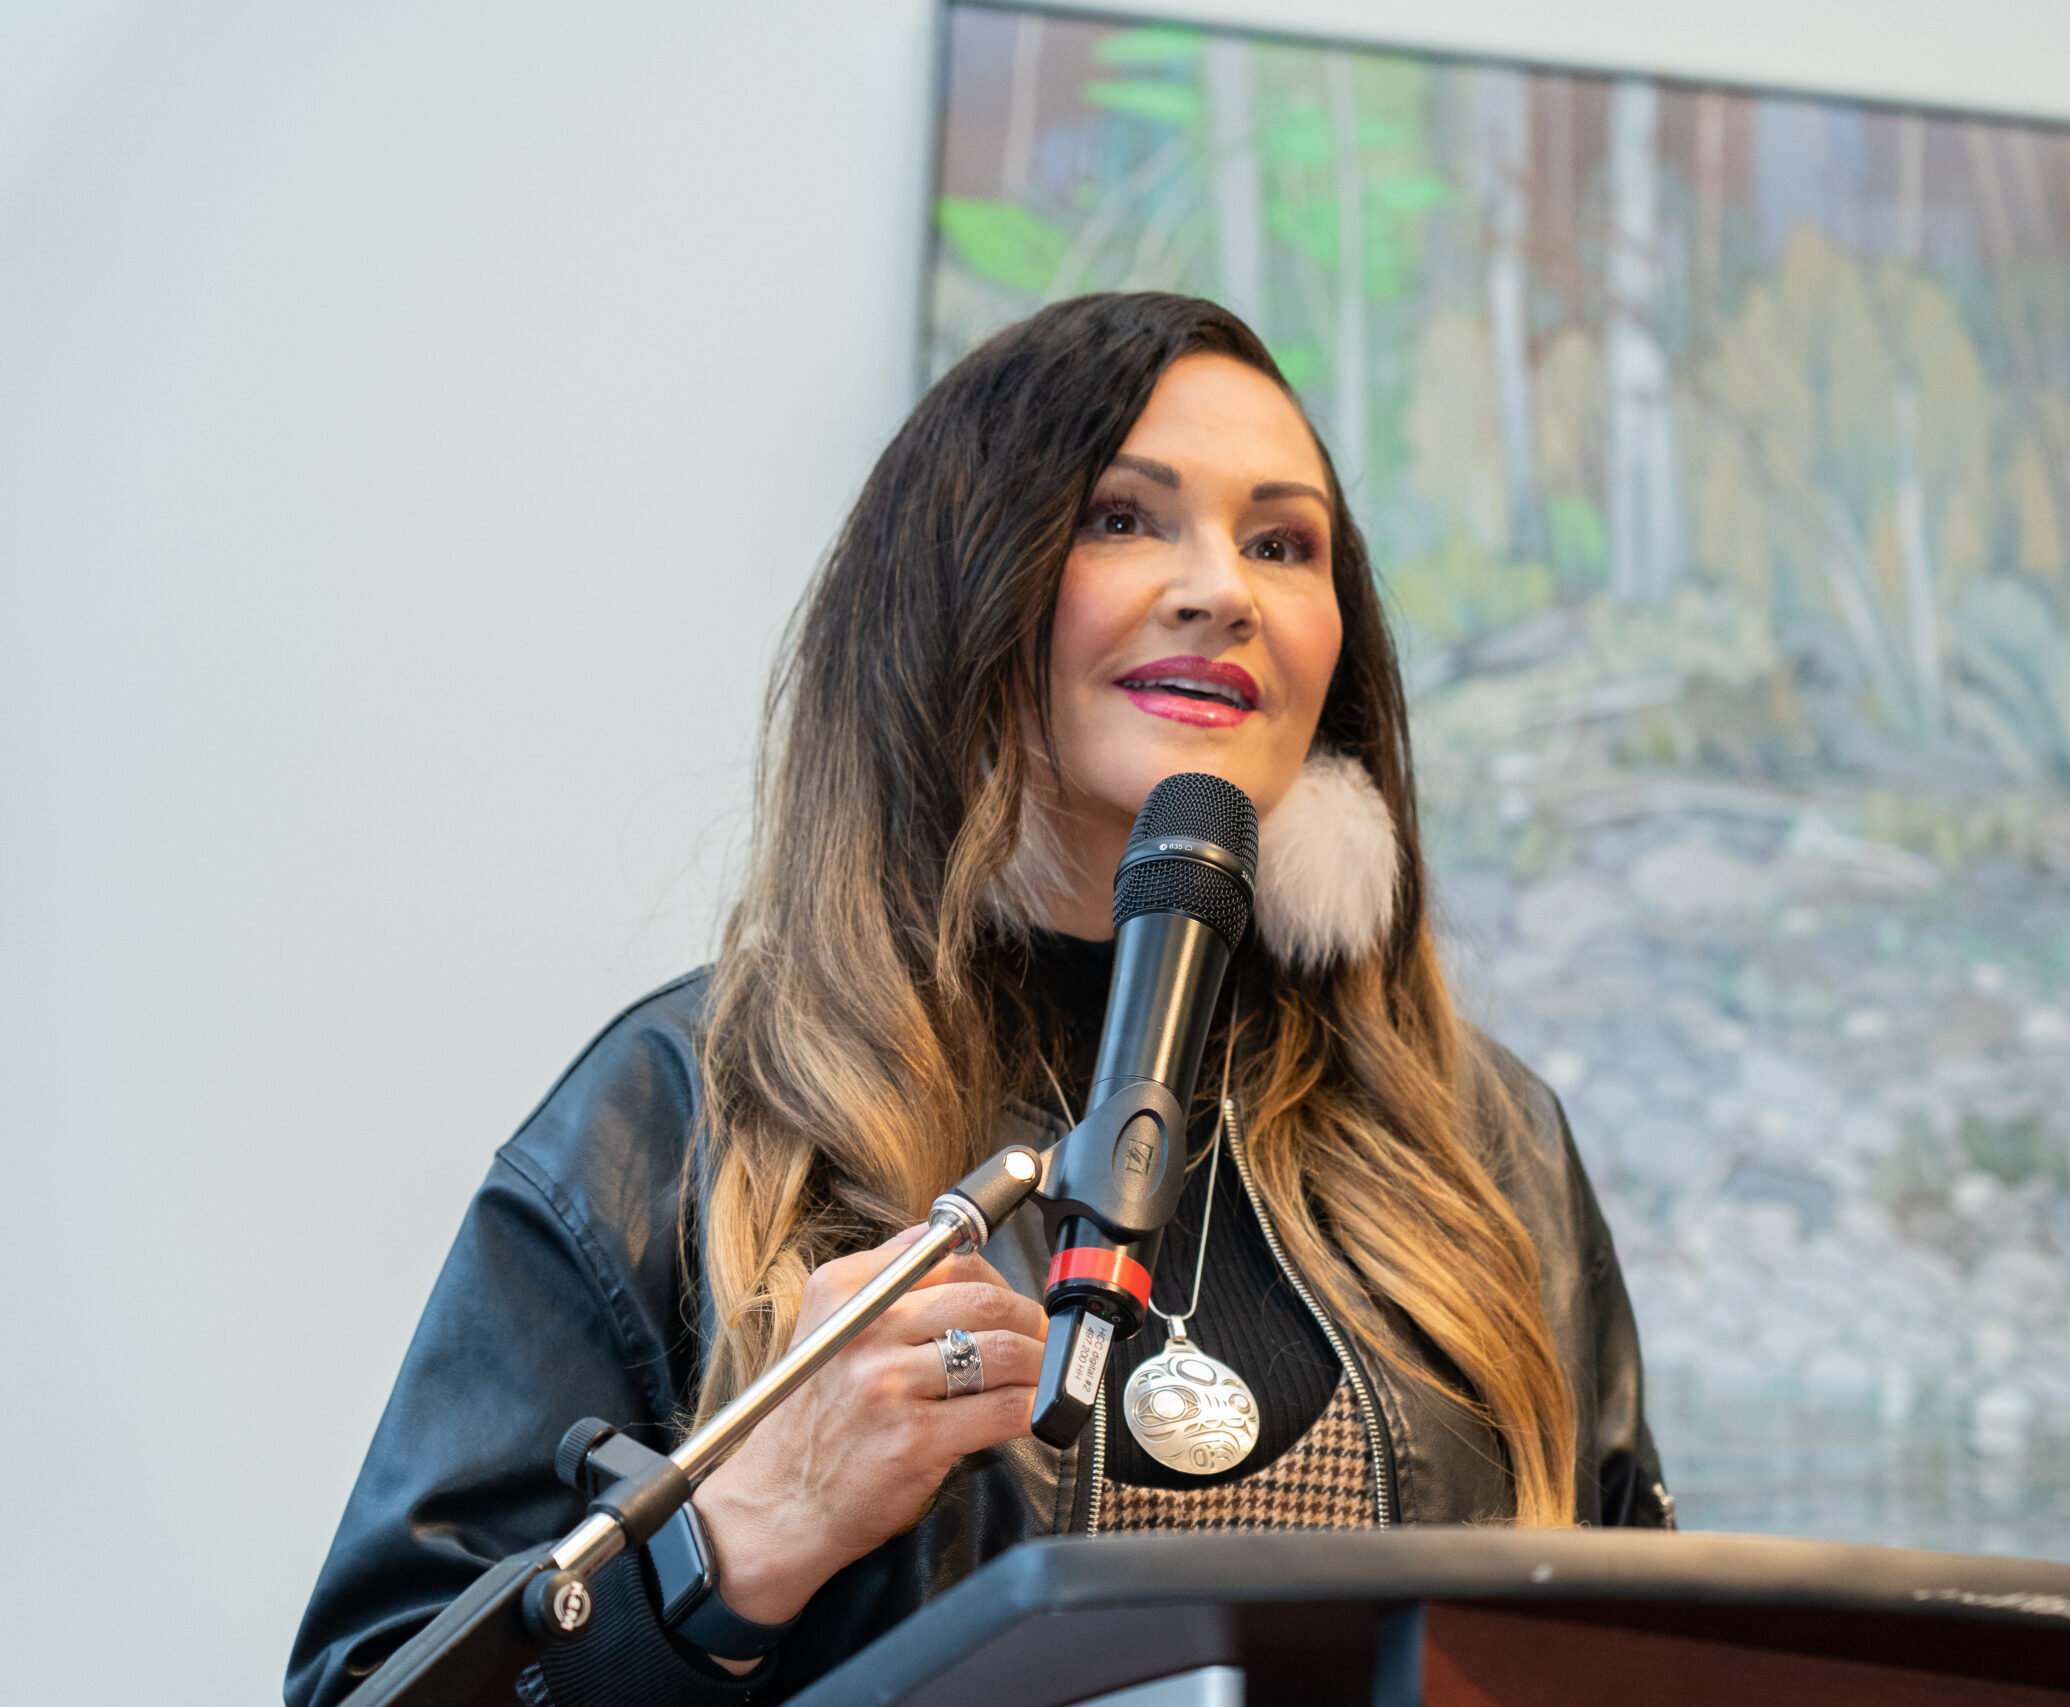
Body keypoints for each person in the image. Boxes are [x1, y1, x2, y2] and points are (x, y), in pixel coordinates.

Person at [286, 292, 1667, 1707]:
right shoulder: (681, 1115)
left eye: (1281, 542)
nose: (1222, 589)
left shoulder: (1486, 1143)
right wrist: (738, 1545)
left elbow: (1662, 1662)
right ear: (962, 584)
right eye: (1126, 519)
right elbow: (371, 1688)